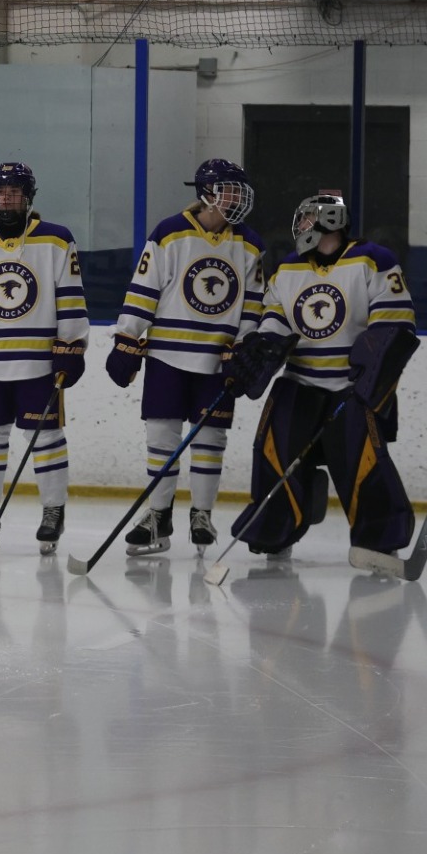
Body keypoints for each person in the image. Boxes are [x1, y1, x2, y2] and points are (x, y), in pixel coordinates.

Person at [224, 190, 419, 574]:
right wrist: (264, 346)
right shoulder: (289, 268)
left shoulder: (374, 260)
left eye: (310, 220)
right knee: (272, 450)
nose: (302, 228)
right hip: (301, 382)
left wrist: (372, 360)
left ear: (332, 221)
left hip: (354, 386)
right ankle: (275, 529)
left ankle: (378, 539)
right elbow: (275, 318)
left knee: (361, 463)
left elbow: (395, 321)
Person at [105, 159, 264, 556]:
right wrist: (127, 337)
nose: (237, 198)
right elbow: (144, 289)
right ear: (208, 193)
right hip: (166, 358)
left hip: (217, 361)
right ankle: (159, 515)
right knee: (161, 439)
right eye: (229, 190)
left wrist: (243, 346)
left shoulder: (251, 244)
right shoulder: (169, 233)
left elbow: (253, 306)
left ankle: (202, 514)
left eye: (239, 190)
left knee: (211, 439)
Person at [0, 162, 88, 555]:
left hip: (39, 364)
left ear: (29, 197)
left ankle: (52, 512)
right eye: (1, 192)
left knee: (46, 440)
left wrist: (71, 345)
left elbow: (70, 298)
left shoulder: (57, 240)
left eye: (15, 192)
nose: (7, 198)